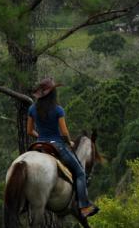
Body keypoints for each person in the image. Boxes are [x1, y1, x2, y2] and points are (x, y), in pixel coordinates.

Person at [27, 78, 99, 219]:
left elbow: (29, 131)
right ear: (53, 94)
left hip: (39, 144)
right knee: (80, 173)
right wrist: (69, 142)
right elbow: (65, 133)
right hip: (56, 145)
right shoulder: (58, 110)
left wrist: (40, 136)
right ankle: (84, 207)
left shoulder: (32, 109)